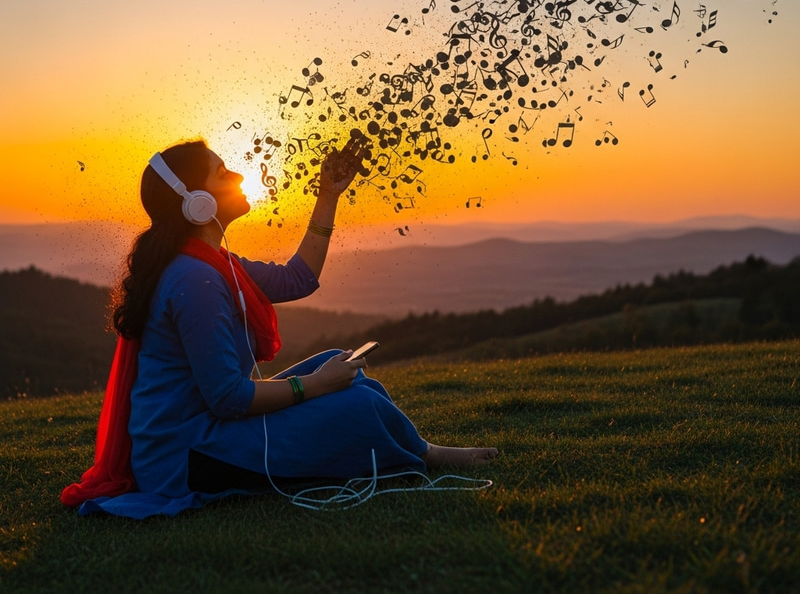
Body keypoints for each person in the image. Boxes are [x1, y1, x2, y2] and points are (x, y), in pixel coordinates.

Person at [62, 136, 497, 517]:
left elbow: (298, 278)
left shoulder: (216, 264)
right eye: (221, 173)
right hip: (187, 453)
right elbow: (229, 398)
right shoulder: (194, 279)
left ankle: (423, 451)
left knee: (338, 363)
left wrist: (328, 195)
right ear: (197, 203)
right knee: (356, 405)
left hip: (205, 433)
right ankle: (427, 455)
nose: (236, 175)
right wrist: (316, 387)